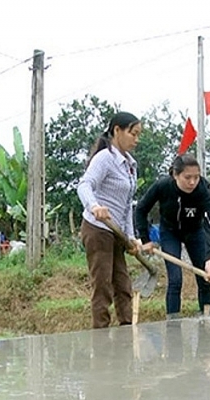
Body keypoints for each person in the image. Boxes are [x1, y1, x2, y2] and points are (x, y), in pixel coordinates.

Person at [77, 111, 143, 329]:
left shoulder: (130, 166)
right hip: (97, 228)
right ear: (117, 130)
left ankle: (127, 331)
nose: (136, 139)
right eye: (133, 133)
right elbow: (84, 185)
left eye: (138, 135)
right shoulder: (105, 158)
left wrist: (130, 237)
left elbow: (127, 206)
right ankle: (101, 335)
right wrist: (94, 206)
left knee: (123, 284)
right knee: (102, 285)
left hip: (117, 232)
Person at [135, 154, 210, 319]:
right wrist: (145, 240)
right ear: (175, 175)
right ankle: (173, 323)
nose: (192, 182)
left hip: (195, 231)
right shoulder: (163, 186)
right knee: (175, 280)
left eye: (196, 177)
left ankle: (207, 318)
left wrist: (209, 258)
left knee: (204, 277)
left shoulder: (202, 189)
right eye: (187, 177)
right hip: (170, 232)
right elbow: (141, 209)